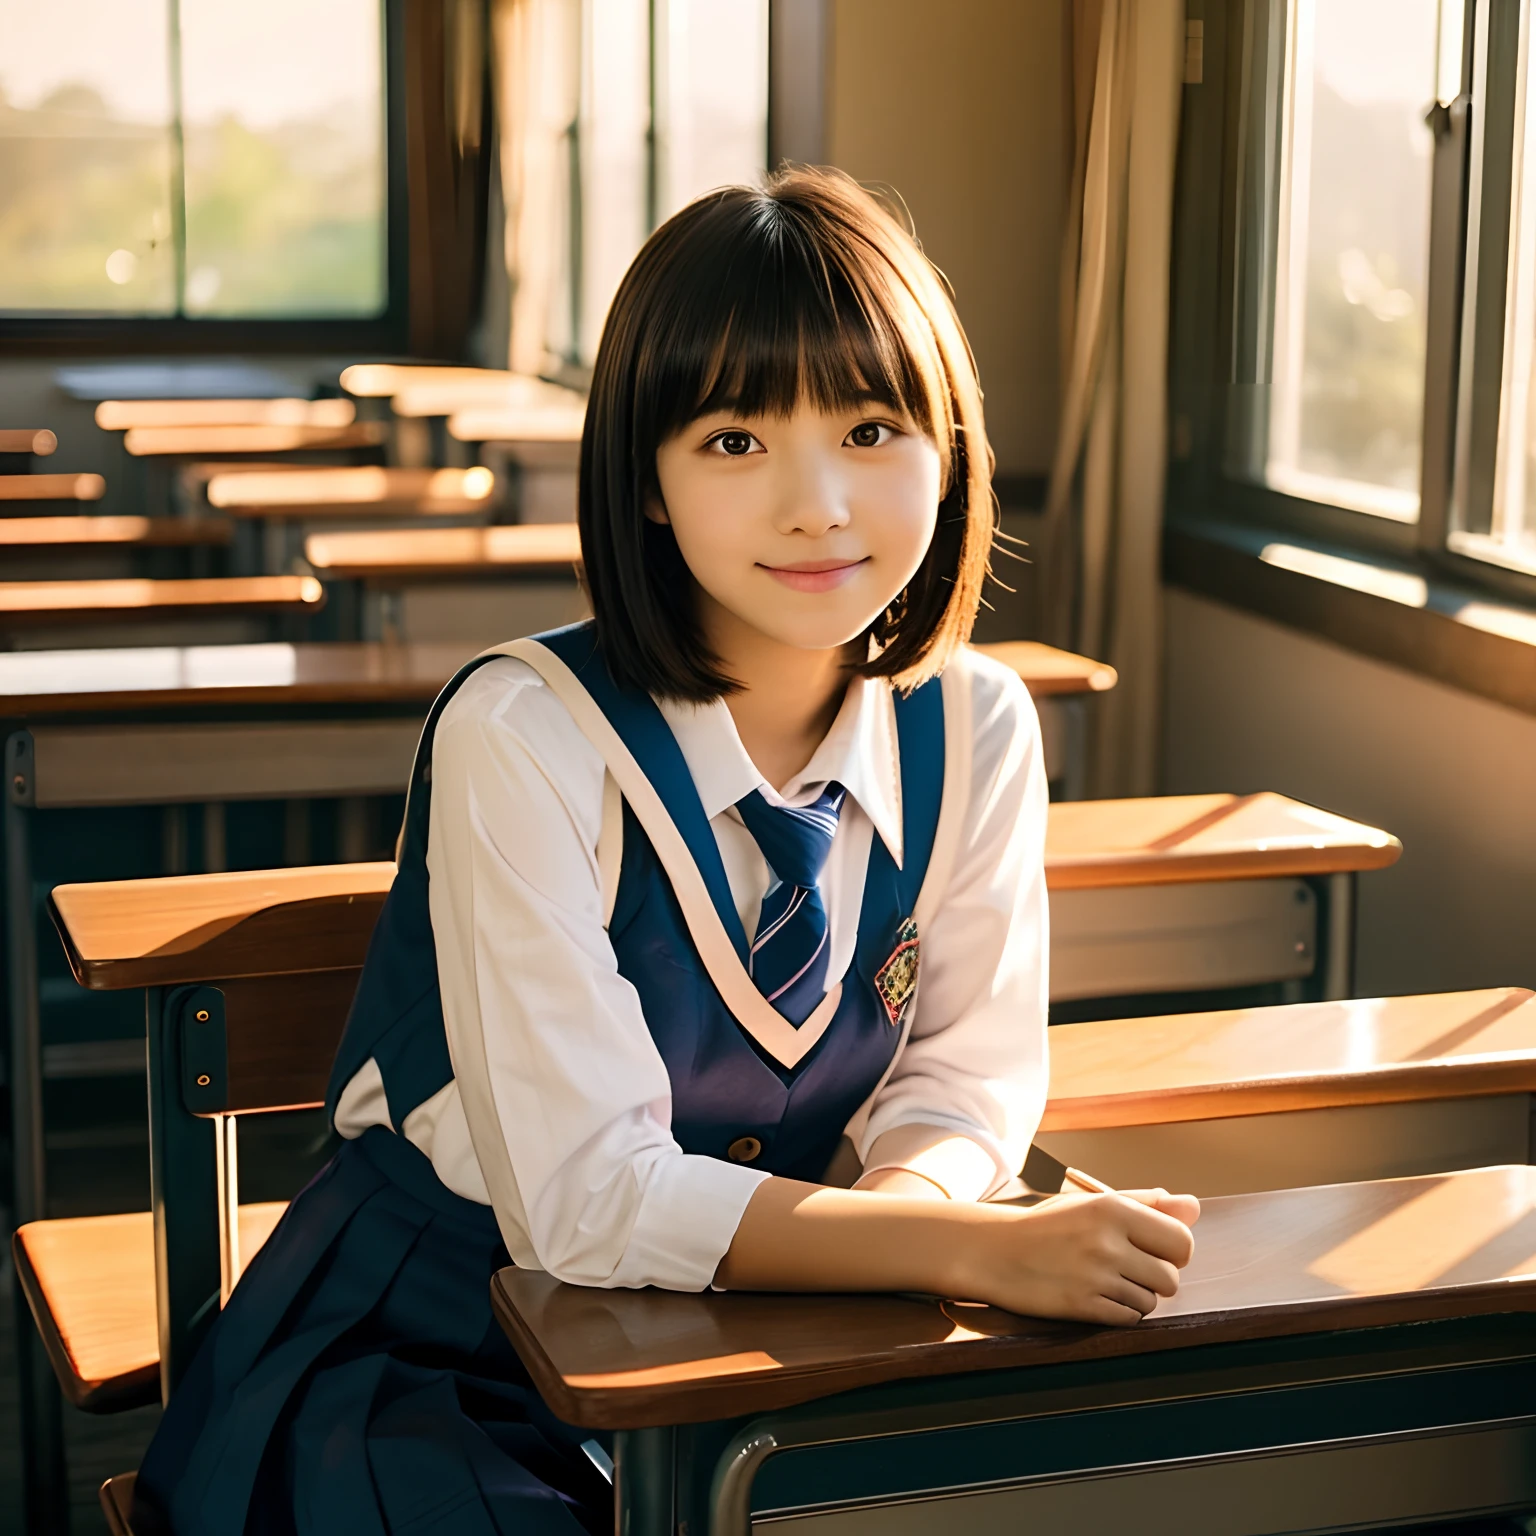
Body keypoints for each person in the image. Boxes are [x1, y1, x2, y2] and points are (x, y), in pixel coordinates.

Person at [135, 166, 1198, 1535]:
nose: (818, 505)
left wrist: (911, 1220)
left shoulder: (977, 725)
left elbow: (962, 1076)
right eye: (737, 443)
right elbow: (583, 1205)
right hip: (446, 1333)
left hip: (789, 1308)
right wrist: (966, 1249)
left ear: (951, 449)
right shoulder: (523, 734)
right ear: (644, 480)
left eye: (873, 428)